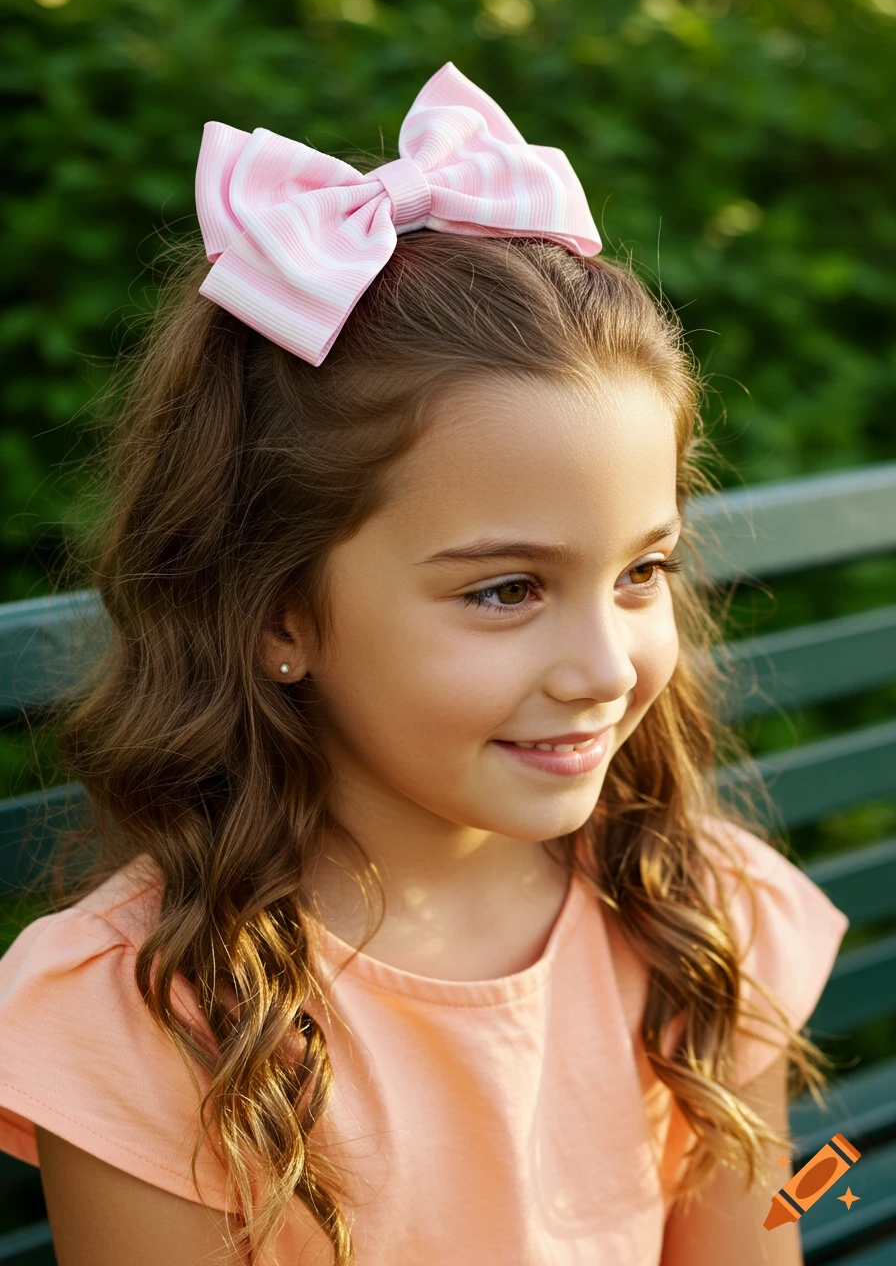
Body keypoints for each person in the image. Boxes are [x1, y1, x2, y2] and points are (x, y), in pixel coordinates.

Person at [0, 62, 848, 1266]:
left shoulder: (690, 908)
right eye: (505, 589)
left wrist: (820, 1197)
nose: (603, 665)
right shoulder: (152, 1019)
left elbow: (770, 1224)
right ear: (276, 613)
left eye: (639, 571)